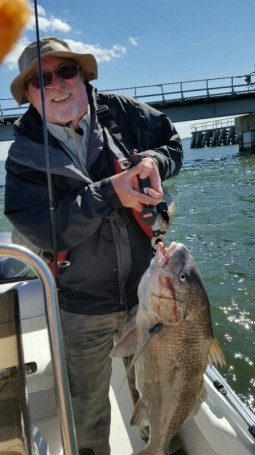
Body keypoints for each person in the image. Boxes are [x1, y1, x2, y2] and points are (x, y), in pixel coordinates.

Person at [4, 36, 183, 455]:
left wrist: (155, 161)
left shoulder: (122, 112)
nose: (57, 85)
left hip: (149, 296)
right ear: (28, 95)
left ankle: (159, 444)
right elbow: (44, 230)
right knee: (87, 408)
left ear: (84, 76)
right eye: (40, 79)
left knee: (156, 385)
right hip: (81, 305)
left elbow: (173, 143)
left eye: (67, 71)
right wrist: (108, 192)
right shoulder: (23, 156)